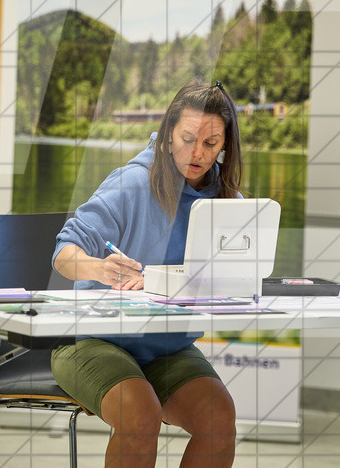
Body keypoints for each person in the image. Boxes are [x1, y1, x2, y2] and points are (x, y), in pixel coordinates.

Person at [51, 78, 240, 467]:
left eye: (210, 144)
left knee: (218, 420)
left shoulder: (228, 200)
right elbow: (63, 253)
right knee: (141, 415)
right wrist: (99, 268)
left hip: (165, 344)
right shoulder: (132, 183)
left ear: (225, 146)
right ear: (168, 133)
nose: (197, 153)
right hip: (90, 337)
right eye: (188, 138)